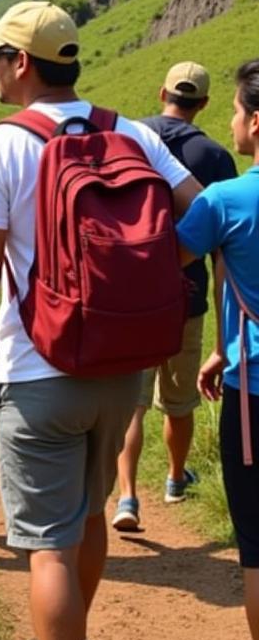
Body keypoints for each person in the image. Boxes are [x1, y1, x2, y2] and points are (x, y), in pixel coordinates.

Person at [0, 1, 199, 640]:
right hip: (123, 366)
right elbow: (198, 211)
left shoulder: (3, 141)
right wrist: (154, 270)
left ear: (21, 63)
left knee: (48, 545)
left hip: (38, 369)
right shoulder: (132, 133)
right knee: (89, 516)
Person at [112, 61, 237, 532]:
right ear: (204, 103)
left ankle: (126, 498)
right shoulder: (215, 154)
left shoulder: (129, 139)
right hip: (188, 299)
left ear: (162, 91)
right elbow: (219, 245)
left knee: (133, 403)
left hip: (130, 301)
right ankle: (173, 479)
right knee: (179, 402)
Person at [177, 58, 259, 640]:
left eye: (235, 110)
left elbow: (163, 265)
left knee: (256, 549)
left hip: (253, 395)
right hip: (238, 362)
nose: (231, 120)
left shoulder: (225, 201)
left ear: (256, 124)